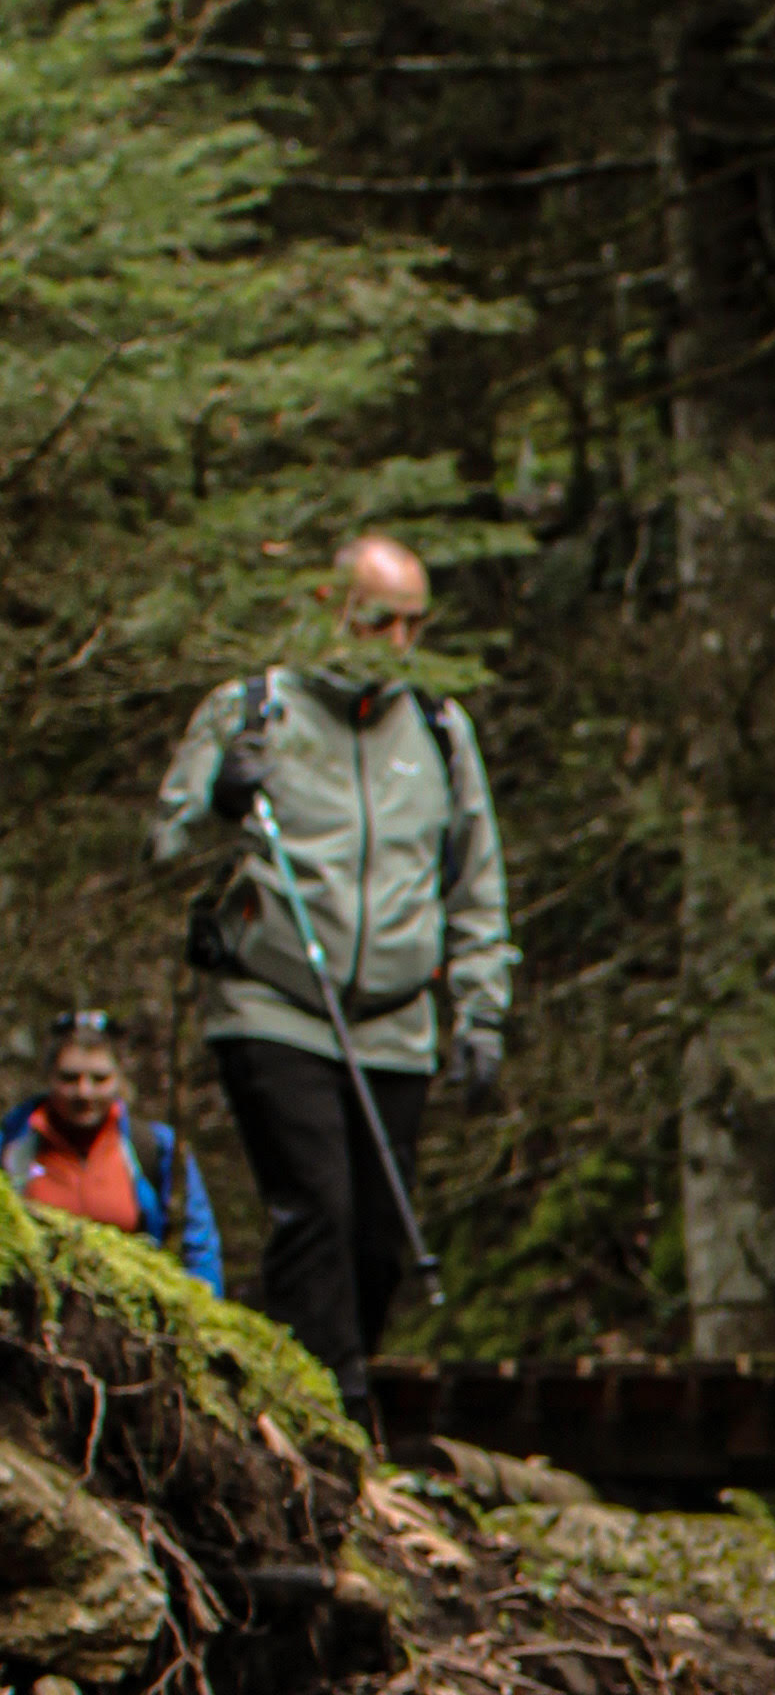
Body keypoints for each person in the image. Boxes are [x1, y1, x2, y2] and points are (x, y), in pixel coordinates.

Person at [151, 530, 513, 1415]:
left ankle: (323, 1387)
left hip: (395, 1014)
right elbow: (164, 854)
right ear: (327, 609)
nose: (396, 644)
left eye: (412, 625)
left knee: (379, 1236)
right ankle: (332, 1411)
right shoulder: (251, 712)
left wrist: (481, 1011)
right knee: (317, 1207)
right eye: (377, 621)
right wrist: (220, 803)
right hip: (273, 1001)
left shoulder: (438, 728)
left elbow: (475, 878)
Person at [0, 1012, 222, 1287]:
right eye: (69, 1078)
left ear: (120, 1079)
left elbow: (199, 1248)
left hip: (133, 1312)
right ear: (49, 1077)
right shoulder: (12, 1145)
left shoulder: (155, 1148)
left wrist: (201, 1313)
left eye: (99, 1078)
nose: (84, 1092)